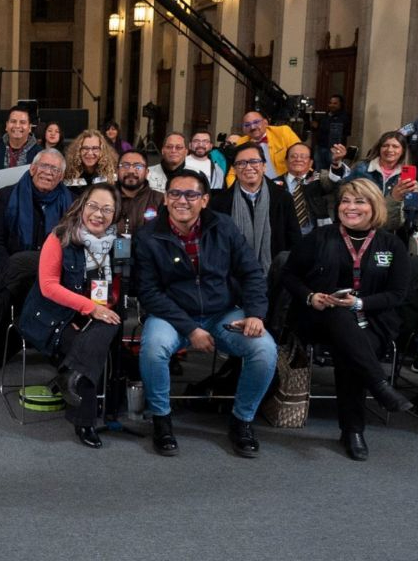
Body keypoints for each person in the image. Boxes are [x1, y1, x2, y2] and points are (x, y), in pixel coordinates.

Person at [134, 169, 276, 458]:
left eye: (191, 194)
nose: (182, 200)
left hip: (222, 313)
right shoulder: (148, 237)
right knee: (153, 349)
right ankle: (161, 420)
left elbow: (251, 273)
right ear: (165, 198)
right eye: (175, 193)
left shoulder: (223, 227)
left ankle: (242, 421)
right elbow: (148, 293)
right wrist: (190, 329)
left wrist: (256, 314)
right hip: (172, 316)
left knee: (264, 348)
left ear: (205, 200)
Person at [281, 178, 416, 460]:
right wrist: (310, 296)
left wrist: (360, 302)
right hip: (318, 318)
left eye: (359, 201)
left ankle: (353, 430)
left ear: (374, 206)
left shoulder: (391, 244)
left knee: (350, 349)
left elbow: (397, 294)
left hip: (372, 322)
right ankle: (374, 395)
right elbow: (289, 275)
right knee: (339, 316)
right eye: (345, 201)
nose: (350, 207)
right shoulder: (320, 237)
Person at [20, 183, 124, 448]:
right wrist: (92, 309)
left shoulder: (119, 244)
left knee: (105, 329)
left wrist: (102, 309)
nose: (98, 214)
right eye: (93, 206)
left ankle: (71, 378)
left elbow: (125, 286)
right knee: (89, 345)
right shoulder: (60, 237)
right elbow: (48, 286)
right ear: (81, 206)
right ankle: (85, 420)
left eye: (107, 209)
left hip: (101, 314)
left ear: (115, 214)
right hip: (57, 316)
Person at [0, 148, 73, 372]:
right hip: (9, 273)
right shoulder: (6, 196)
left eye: (55, 170)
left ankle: (56, 344)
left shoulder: (72, 203)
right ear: (32, 169)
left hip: (52, 277)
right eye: (44, 166)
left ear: (61, 177)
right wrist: (13, 268)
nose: (48, 173)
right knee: (15, 277)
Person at [209, 144, 301, 276]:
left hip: (276, 276)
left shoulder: (282, 197)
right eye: (241, 163)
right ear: (234, 169)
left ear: (264, 166)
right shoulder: (219, 202)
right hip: (232, 277)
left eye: (254, 161)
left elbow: (294, 239)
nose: (248, 167)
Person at [283, 142, 349, 235]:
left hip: (317, 235)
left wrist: (335, 163)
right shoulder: (274, 184)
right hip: (284, 235)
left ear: (311, 163)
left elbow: (334, 182)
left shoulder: (320, 178)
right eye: (293, 156)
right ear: (285, 161)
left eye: (303, 157)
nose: (298, 159)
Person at [0, 105, 40, 199]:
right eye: (13, 121)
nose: (17, 126)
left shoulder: (39, 153)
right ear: (6, 126)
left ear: (30, 127)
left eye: (22, 122)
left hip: (28, 204)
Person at [231, 110, 301, 181]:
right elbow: (232, 172)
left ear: (265, 123)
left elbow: (301, 156)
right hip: (256, 186)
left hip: (285, 183)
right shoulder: (241, 143)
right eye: (247, 125)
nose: (252, 127)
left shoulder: (283, 132)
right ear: (244, 129)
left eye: (256, 122)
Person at [115, 150, 163, 236]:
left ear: (147, 172)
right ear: (117, 170)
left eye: (138, 166)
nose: (131, 171)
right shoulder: (105, 198)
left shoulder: (160, 200)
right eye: (125, 165)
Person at [62, 129, 117, 193]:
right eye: (85, 148)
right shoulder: (69, 174)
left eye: (95, 148)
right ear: (78, 151)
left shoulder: (111, 175)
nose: (90, 153)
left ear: (102, 151)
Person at [311, 94, 351, 175]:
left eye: (335, 103)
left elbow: (333, 128)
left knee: (333, 171)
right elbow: (317, 127)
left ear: (341, 104)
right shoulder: (326, 115)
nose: (332, 105)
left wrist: (319, 125)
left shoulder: (344, 116)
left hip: (334, 149)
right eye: (330, 103)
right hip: (320, 147)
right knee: (319, 171)